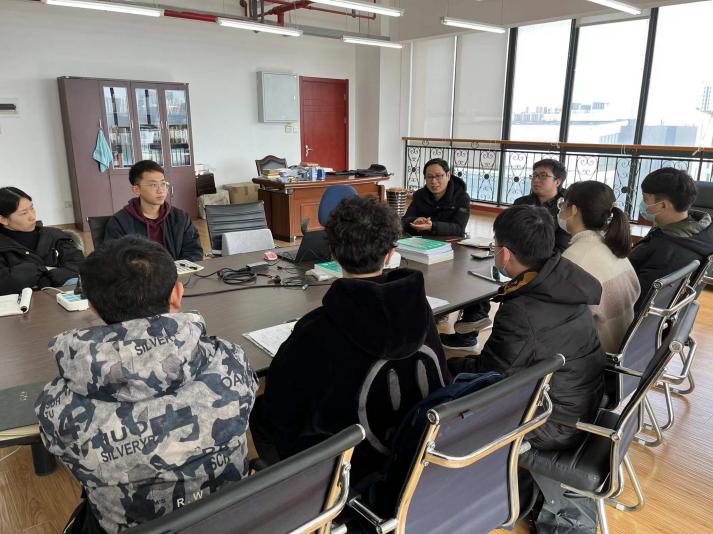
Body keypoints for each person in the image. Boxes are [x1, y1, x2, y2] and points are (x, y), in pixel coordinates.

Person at [35, 236, 258, 533]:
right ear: (177, 294)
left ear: (93, 307)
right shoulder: (231, 360)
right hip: (235, 520)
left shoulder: (57, 405)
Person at [253, 196, 449, 481]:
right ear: (391, 253)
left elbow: (280, 410)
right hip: (417, 458)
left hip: (348, 475)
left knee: (261, 411)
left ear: (332, 253)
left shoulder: (315, 330)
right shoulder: (421, 311)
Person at [448, 205, 605, 451]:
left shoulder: (520, 311)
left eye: (495, 245)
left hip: (551, 422)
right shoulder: (563, 281)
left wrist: (448, 365)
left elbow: (490, 377)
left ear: (505, 254)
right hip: (582, 402)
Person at [558, 181, 640, 352]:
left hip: (595, 356)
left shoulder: (575, 259)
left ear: (574, 210)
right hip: (624, 347)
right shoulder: (611, 247)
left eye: (563, 205)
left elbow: (558, 321)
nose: (560, 210)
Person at [630, 167, 713, 313]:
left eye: (645, 199)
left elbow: (632, 304)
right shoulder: (704, 231)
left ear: (663, 205)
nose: (643, 204)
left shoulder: (664, 255)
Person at [104, 160, 203, 261]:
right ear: (137, 189)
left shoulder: (181, 217)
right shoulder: (119, 222)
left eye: (163, 184)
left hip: (178, 270)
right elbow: (114, 260)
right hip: (139, 271)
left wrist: (179, 268)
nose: (161, 190)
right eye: (153, 185)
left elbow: (194, 251)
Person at [0, 186, 84, 295]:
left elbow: (80, 265)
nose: (32, 217)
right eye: (24, 213)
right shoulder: (3, 246)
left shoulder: (54, 235)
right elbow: (4, 283)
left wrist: (42, 276)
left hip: (64, 298)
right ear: (3, 220)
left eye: (32, 208)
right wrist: (43, 269)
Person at [401, 158, 470, 237]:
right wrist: (414, 220)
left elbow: (459, 229)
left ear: (448, 176)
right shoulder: (420, 195)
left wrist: (432, 226)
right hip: (422, 241)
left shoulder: (461, 197)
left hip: (448, 242)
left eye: (438, 176)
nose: (433, 181)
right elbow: (404, 221)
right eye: (429, 177)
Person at [514, 158, 571, 252]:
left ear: (557, 182)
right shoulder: (520, 203)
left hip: (551, 257)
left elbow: (562, 246)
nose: (536, 180)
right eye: (534, 175)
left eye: (543, 176)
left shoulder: (566, 208)